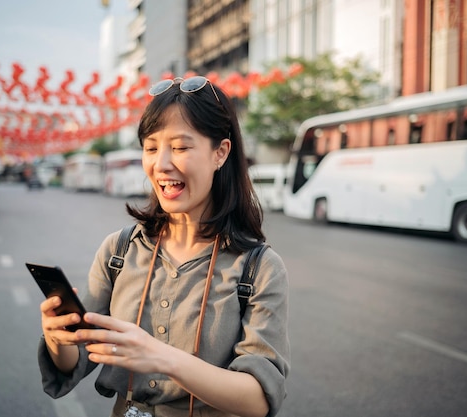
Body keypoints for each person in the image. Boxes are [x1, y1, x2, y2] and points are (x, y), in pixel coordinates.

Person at [38, 76, 290, 417]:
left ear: (220, 152)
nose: (161, 164)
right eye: (151, 147)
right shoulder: (120, 251)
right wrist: (59, 337)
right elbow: (77, 361)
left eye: (181, 147)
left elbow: (259, 399)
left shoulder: (258, 268)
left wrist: (161, 357)